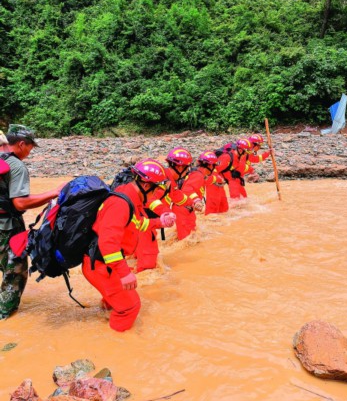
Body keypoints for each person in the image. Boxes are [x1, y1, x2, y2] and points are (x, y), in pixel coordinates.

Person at [82, 159, 175, 332]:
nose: (157, 194)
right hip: (101, 265)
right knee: (130, 307)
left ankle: (107, 316)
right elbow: (107, 242)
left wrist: (159, 222)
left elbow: (137, 224)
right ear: (147, 186)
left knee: (115, 302)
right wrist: (124, 273)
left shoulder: (129, 195)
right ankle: (115, 347)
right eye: (157, 189)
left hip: (100, 263)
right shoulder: (121, 203)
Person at [0, 124, 64, 319]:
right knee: (15, 273)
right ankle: (5, 316)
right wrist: (55, 192)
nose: (30, 151)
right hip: (6, 227)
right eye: (30, 147)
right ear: (21, 144)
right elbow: (20, 203)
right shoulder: (16, 165)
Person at [165, 147, 204, 240]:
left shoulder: (170, 180)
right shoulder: (164, 180)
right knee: (187, 240)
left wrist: (193, 203)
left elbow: (177, 195)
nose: (187, 172)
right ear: (179, 167)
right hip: (137, 223)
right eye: (187, 168)